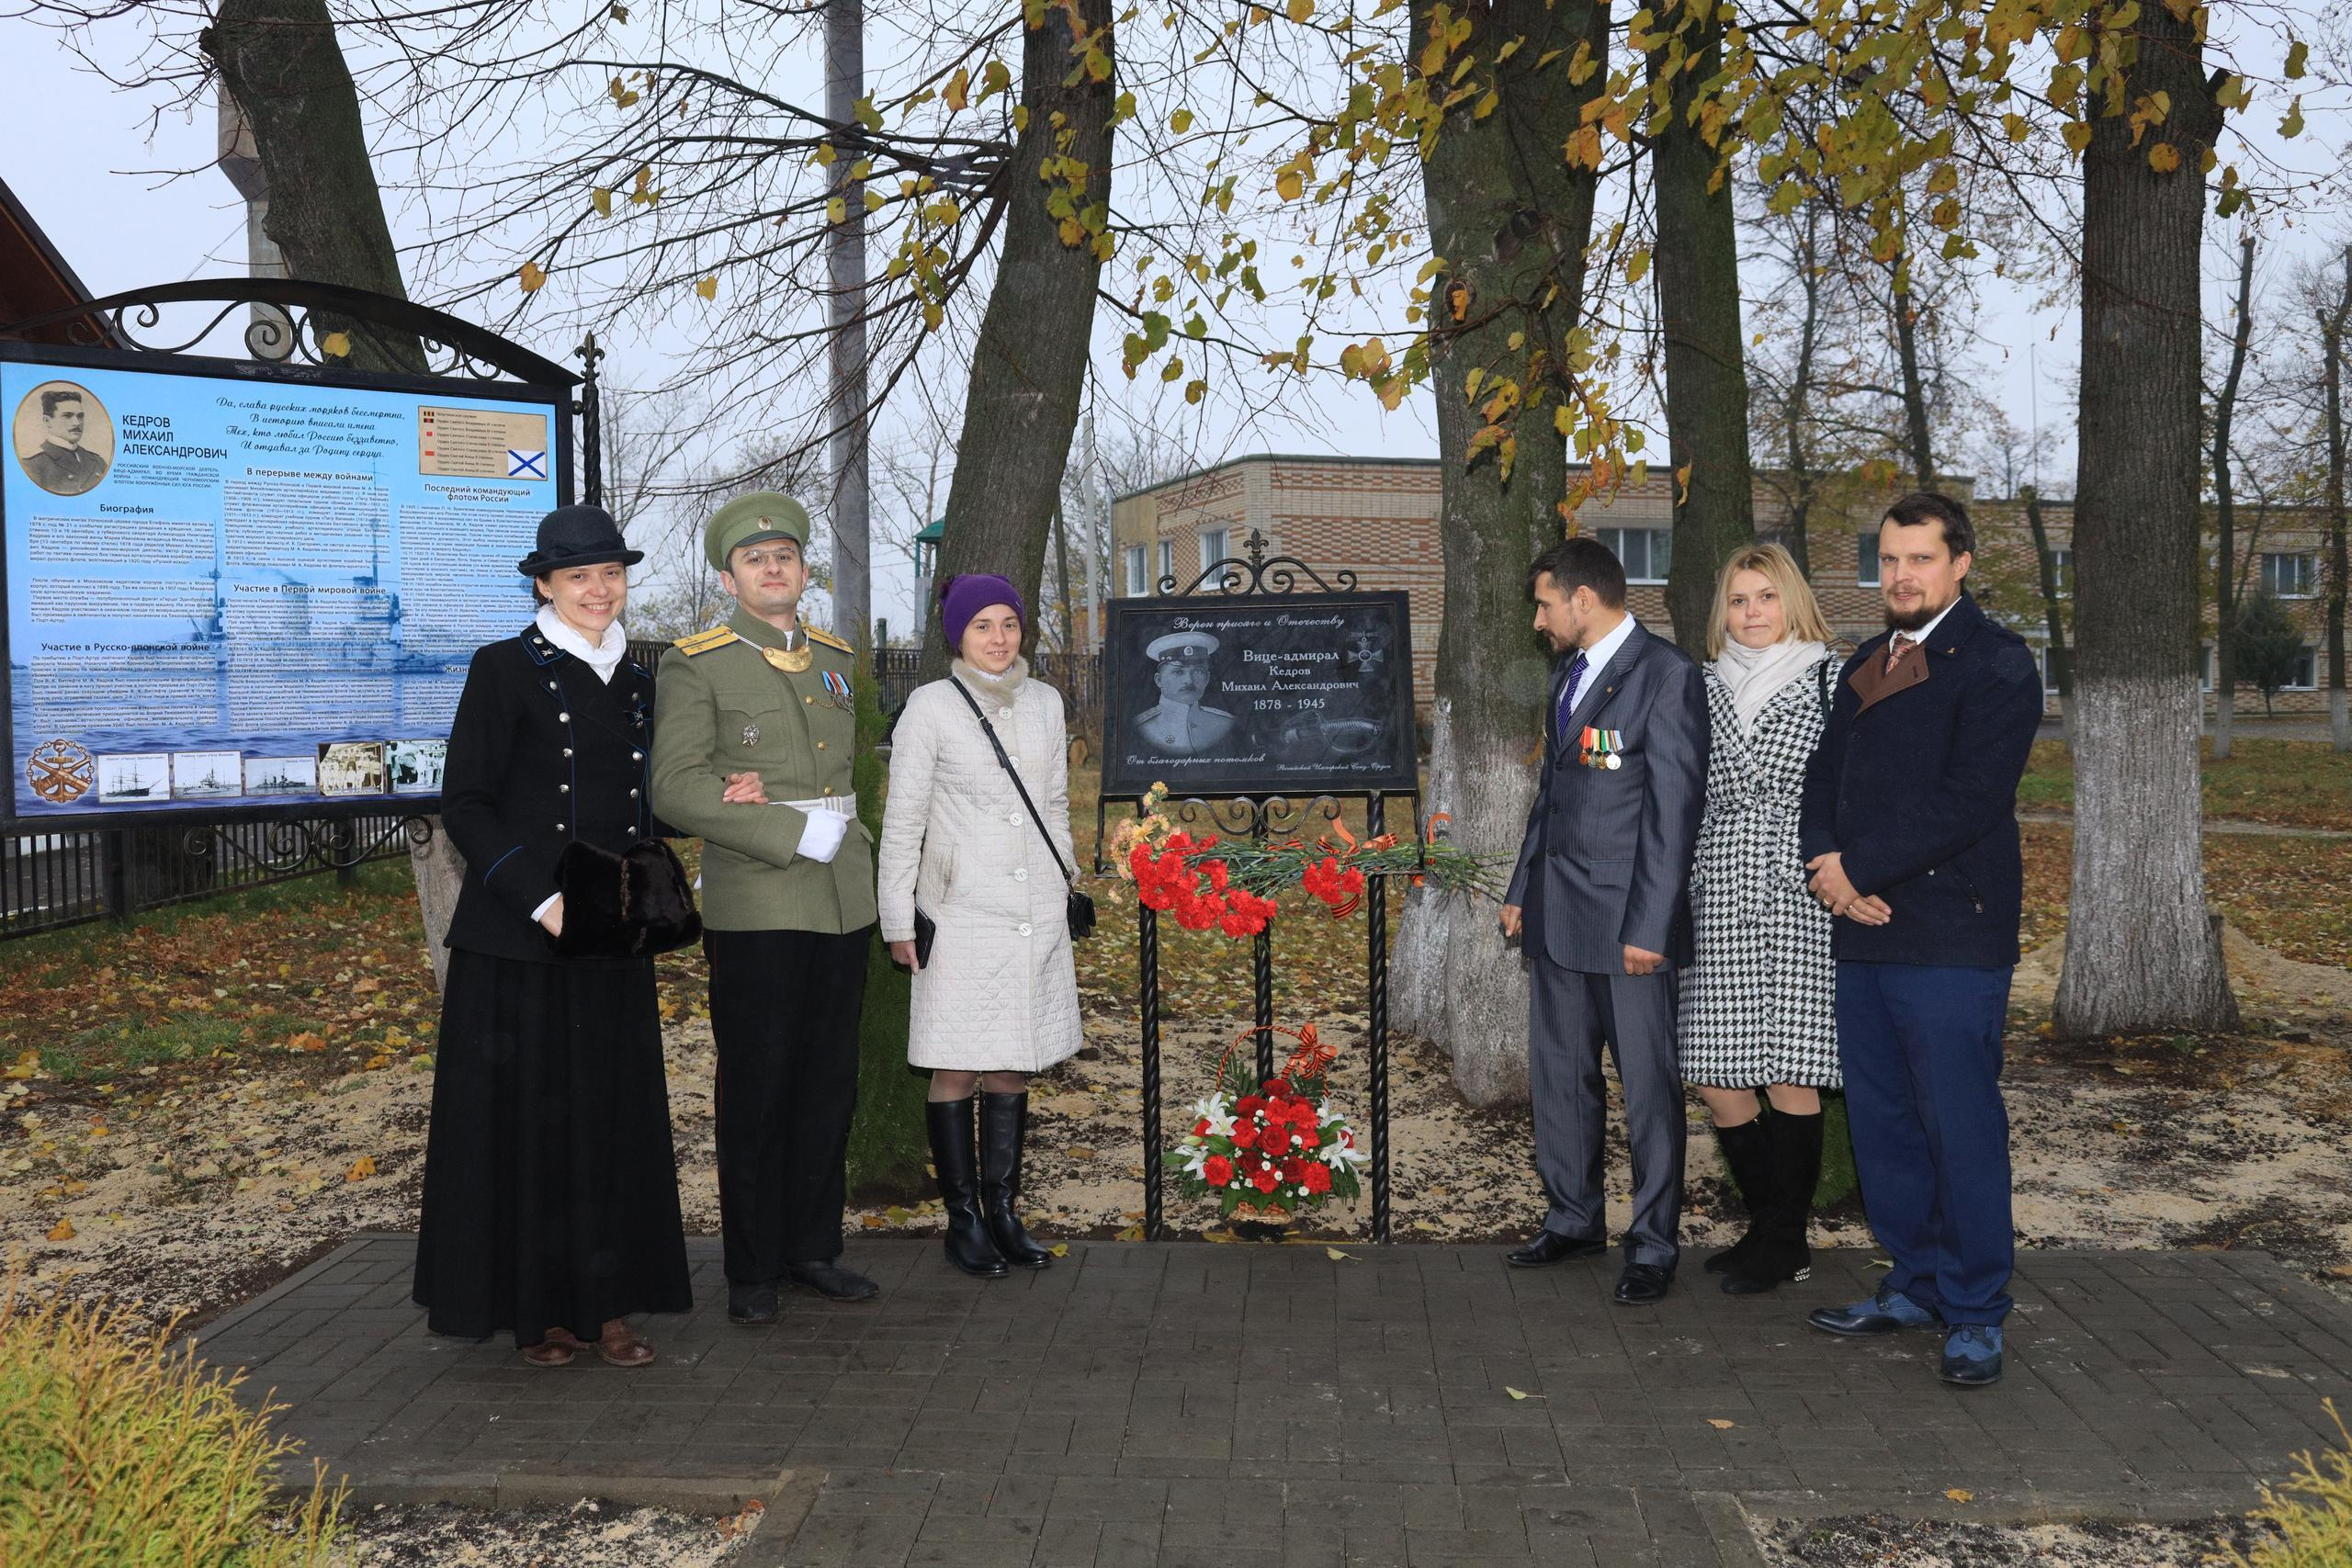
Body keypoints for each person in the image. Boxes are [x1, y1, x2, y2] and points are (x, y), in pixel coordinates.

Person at [413, 503, 692, 1367]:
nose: (598, 590)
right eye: (579, 577)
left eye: (610, 574)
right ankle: (541, 1313)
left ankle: (606, 1304)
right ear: (544, 582)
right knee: (534, 1126)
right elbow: (467, 802)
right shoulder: (503, 669)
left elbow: (643, 806)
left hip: (609, 939)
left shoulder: (643, 682)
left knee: (609, 1121)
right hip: (520, 940)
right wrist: (540, 898)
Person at [1798, 491, 2042, 1388]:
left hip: (1949, 936)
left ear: (1959, 564)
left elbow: (1968, 800)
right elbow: (1825, 774)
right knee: (1886, 1127)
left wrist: (1857, 870)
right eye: (1889, 559)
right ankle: (1916, 1281)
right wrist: (1826, 859)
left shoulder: (1996, 663)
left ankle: (1976, 1309)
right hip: (1862, 935)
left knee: (1959, 1128)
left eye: (1919, 559)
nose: (1900, 574)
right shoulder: (1871, 657)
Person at [649, 492, 880, 1318]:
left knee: (828, 1083)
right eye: (755, 559)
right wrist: (778, 826)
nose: (772, 567)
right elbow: (672, 787)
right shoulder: (698, 661)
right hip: (759, 900)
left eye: (784, 555)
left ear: (804, 571)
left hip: (842, 897)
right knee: (759, 1083)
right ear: (728, 576)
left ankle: (812, 1246)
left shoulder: (837, 656)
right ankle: (751, 1267)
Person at [1499, 536, 1709, 1306]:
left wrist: (1651, 928)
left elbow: (1672, 814)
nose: (1539, 619)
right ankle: (1574, 1217)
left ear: (1583, 599)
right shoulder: (1569, 671)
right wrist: (1523, 885)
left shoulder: (1668, 675)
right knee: (1561, 1078)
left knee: (1649, 1089)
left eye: (1545, 603)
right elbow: (1552, 795)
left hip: (1630, 928)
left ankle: (1652, 1243)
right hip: (1558, 917)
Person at [877, 574, 1082, 1278]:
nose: (999, 638)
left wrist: (1065, 884)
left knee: (1011, 1062)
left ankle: (1004, 1209)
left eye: (1009, 624)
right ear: (957, 636)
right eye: (982, 626)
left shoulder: (1047, 703)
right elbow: (903, 820)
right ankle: (961, 1218)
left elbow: (1053, 804)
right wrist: (897, 917)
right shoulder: (930, 708)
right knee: (956, 1062)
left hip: (1032, 913)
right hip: (960, 913)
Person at [1676, 544, 1840, 1295]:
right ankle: (1769, 1224)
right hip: (1719, 879)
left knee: (1790, 1068)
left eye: (1766, 597)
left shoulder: (1831, 677)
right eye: (1739, 599)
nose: (1752, 612)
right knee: (1717, 1071)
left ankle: (1786, 1239)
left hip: (1799, 885)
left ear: (1791, 602)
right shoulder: (1698, 685)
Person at [1133, 631, 1236, 753]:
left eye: (1198, 671)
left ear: (1207, 678)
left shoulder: (1226, 723)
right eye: (1178, 672)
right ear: (1159, 680)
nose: (1189, 680)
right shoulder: (1141, 727)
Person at [22, 388, 107, 495]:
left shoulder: (98, 462)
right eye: (67, 416)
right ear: (47, 421)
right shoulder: (32, 463)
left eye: (80, 416)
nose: (77, 423)